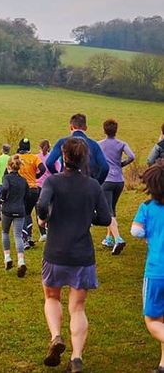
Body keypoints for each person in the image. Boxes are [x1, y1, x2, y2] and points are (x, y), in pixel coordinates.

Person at [37, 138, 111, 372]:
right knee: (78, 307)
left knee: (52, 297)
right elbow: (106, 219)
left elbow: (41, 205)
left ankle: (56, 336)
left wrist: (45, 217)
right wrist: (88, 217)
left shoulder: (53, 182)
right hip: (82, 254)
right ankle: (76, 357)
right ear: (84, 159)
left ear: (63, 157)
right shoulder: (93, 186)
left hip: (55, 252)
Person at [131, 160, 164, 373]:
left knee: (152, 319)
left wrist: (146, 233)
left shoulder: (146, 208)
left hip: (156, 271)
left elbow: (135, 231)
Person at [99, 119, 135, 255]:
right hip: (119, 181)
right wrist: (122, 164)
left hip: (106, 180)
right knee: (112, 209)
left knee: (108, 211)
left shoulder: (100, 145)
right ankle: (108, 238)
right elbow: (132, 156)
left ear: (104, 130)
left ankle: (118, 239)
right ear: (116, 130)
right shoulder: (121, 144)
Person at [46, 113, 109, 185]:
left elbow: (49, 162)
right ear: (85, 128)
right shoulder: (94, 144)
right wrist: (97, 183)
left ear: (71, 127)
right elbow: (105, 167)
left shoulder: (63, 142)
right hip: (86, 183)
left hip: (66, 181)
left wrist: (58, 175)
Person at [1, 155, 29, 277]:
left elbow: (5, 188)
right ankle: (21, 260)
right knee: (18, 235)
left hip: (7, 209)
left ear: (9, 167)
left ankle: (7, 257)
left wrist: (2, 198)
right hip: (20, 209)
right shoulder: (23, 180)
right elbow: (27, 195)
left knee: (5, 232)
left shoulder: (6, 178)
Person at [17, 138, 45, 248]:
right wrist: (36, 176)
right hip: (34, 189)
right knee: (28, 213)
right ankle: (29, 237)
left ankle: (24, 240)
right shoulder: (34, 157)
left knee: (22, 214)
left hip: (22, 189)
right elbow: (42, 168)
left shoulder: (17, 158)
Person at [36, 140, 60, 242]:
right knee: (51, 207)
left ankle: (42, 232)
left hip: (38, 184)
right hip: (50, 185)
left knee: (39, 208)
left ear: (40, 147)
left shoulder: (36, 157)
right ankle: (50, 229)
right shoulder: (53, 158)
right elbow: (58, 171)